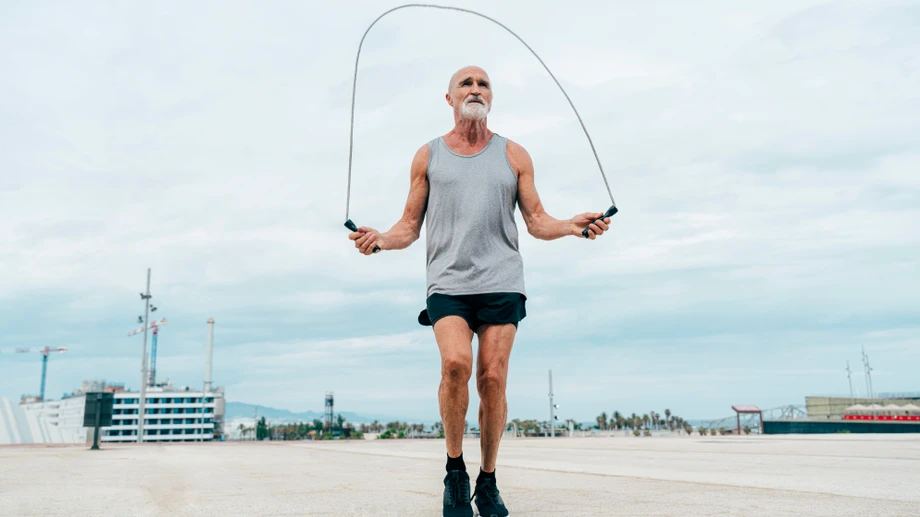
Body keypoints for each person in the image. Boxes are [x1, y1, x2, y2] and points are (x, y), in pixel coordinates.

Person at [348, 66, 611, 517]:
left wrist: (570, 226)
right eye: (465, 84)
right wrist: (381, 240)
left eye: (483, 84)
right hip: (448, 281)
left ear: (492, 97)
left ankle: (487, 480)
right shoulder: (427, 156)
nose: (475, 89)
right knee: (455, 366)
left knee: (492, 378)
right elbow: (409, 226)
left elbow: (536, 221)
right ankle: (455, 472)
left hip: (502, 279)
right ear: (449, 99)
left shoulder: (514, 155)